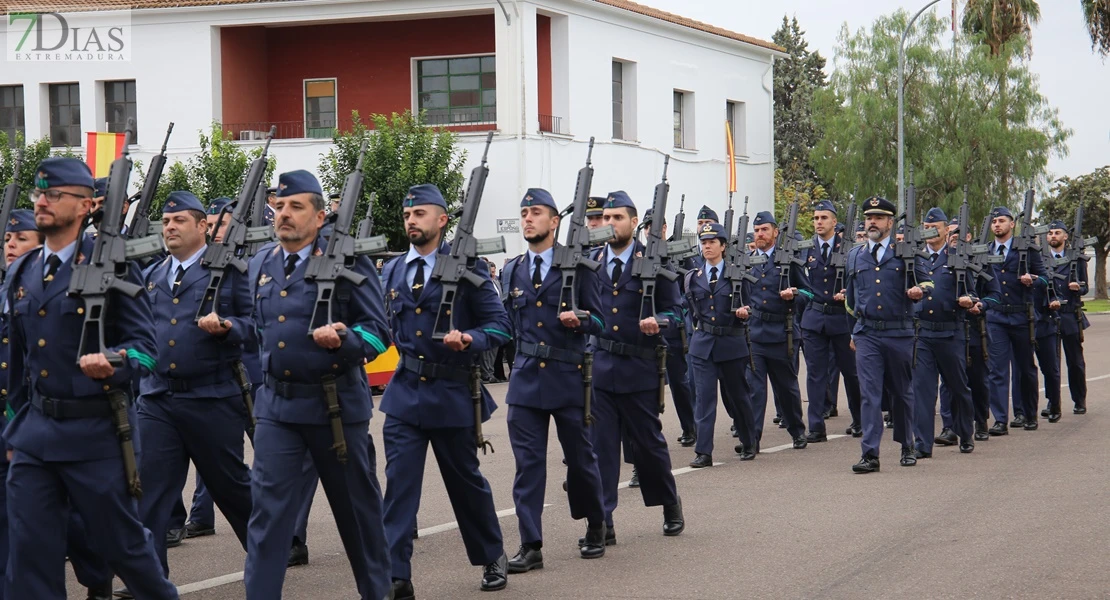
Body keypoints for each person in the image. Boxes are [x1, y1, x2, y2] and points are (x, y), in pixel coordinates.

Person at [4, 158, 178, 599]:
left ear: (87, 206)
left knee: (121, 546)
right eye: (38, 195)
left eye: (54, 195)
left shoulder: (113, 264)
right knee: (30, 554)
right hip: (36, 436)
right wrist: (15, 429)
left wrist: (115, 361)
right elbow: (20, 363)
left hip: (97, 433)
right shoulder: (22, 273)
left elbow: (145, 349)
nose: (41, 202)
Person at [244, 170, 391, 600]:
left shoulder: (347, 262)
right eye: (279, 205)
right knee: (268, 520)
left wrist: (346, 340)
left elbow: (378, 334)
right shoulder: (261, 263)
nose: (283, 214)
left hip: (335, 409)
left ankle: (377, 593)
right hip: (277, 410)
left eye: (296, 206)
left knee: (358, 517)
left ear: (321, 215)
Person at [113, 192, 257, 599]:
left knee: (231, 488)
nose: (170, 227)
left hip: (210, 398)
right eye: (166, 221)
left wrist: (229, 327)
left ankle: (267, 554)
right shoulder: (155, 274)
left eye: (179, 221)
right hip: (159, 399)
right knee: (151, 493)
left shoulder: (230, 272)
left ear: (202, 227)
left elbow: (256, 326)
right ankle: (149, 580)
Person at [379, 184, 512, 599]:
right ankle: (396, 574)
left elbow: (501, 325)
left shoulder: (468, 268)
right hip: (405, 394)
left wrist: (470, 339)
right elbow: (382, 325)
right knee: (399, 487)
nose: (411, 221)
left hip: (454, 392)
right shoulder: (392, 270)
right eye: (407, 215)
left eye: (420, 213)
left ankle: (492, 554)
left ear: (442, 220)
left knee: (465, 483)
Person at [500, 188, 608, 573]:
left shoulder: (579, 266)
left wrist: (581, 320)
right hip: (526, 381)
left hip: (568, 377)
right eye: (524, 211)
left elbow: (601, 321)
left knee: (580, 460)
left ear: (555, 221)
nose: (528, 218)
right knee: (528, 465)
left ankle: (596, 523)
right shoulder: (512, 270)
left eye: (537, 212)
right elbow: (507, 326)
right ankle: (531, 544)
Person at [588, 191, 685, 541]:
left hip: (639, 368)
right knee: (601, 448)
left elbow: (677, 312)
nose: (610, 224)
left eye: (617, 218)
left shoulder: (653, 263)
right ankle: (602, 523)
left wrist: (659, 320)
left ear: (633, 223)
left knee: (648, 445)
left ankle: (669, 501)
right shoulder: (591, 262)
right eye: (605, 218)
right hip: (600, 368)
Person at [843, 196, 932, 473]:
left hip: (899, 333)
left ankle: (907, 445)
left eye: (879, 218)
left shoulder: (906, 252)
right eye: (869, 217)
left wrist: (920, 291)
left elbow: (928, 281)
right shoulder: (855, 255)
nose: (872, 222)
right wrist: (852, 333)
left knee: (902, 393)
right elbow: (850, 299)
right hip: (867, 333)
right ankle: (870, 454)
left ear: (890, 223)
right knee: (869, 394)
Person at [910, 208, 998, 459]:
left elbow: (974, 292)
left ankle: (965, 432)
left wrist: (969, 301)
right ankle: (922, 444)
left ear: (947, 229)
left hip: (951, 333)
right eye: (925, 225)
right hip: (922, 334)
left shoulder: (958, 257)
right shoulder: (915, 258)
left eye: (934, 225)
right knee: (923, 391)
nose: (929, 229)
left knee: (959, 387)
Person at [684, 222, 758, 465]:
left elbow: (753, 304)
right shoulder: (692, 278)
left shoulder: (738, 274)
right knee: (704, 400)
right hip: (703, 345)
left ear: (723, 246)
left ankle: (749, 441)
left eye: (712, 242)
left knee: (738, 397)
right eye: (703, 243)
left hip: (731, 343)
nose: (707, 247)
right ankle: (703, 452)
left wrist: (746, 313)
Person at [745, 211, 812, 450]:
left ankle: (797, 430)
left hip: (782, 333)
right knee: (754, 390)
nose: (760, 234)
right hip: (754, 334)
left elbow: (809, 293)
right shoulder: (746, 261)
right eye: (757, 230)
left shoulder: (788, 261)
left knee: (787, 388)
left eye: (764, 230)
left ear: (775, 232)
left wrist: (794, 294)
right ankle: (752, 441)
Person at [800, 201, 862, 441]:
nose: (818, 222)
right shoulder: (806, 249)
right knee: (815, 374)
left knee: (851, 372)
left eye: (823, 218)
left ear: (834, 222)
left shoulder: (849, 249)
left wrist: (848, 292)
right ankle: (816, 426)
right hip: (814, 318)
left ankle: (859, 420)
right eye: (816, 218)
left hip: (841, 318)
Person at [985, 207, 1048, 434]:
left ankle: (1029, 414)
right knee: (997, 369)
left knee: (1025, 367)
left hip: (1022, 315)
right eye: (994, 221)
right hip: (996, 316)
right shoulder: (986, 249)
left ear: (1012, 224)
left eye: (1001, 221)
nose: (997, 225)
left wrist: (1033, 279)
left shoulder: (1027, 249)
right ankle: (1000, 419)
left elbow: (1044, 278)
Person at [1042, 221, 1089, 417]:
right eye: (1051, 233)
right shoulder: (1041, 259)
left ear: (1065, 237)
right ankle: (1053, 402)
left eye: (1057, 233)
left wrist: (1078, 287)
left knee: (1075, 362)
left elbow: (1085, 286)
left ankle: (1079, 400)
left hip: (1070, 314)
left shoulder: (1075, 259)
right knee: (1050, 363)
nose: (1053, 236)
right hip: (1049, 315)